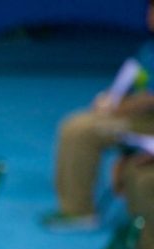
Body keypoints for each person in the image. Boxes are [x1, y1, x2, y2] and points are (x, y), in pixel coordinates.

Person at [45, 0, 154, 227]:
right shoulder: (148, 49)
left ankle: (80, 211)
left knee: (81, 130)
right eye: (151, 8)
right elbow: (131, 84)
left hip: (147, 122)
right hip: (133, 116)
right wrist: (109, 98)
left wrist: (117, 108)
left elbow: (148, 100)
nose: (151, 15)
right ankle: (77, 209)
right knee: (74, 124)